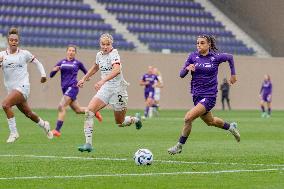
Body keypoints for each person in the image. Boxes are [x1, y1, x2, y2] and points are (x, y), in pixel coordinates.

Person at [167, 34, 240, 155]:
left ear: (208, 44)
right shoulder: (192, 57)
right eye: (197, 43)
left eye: (202, 43)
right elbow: (181, 74)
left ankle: (179, 146)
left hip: (210, 96)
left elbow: (230, 57)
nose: (199, 45)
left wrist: (233, 74)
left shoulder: (215, 57)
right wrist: (187, 68)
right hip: (197, 96)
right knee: (210, 122)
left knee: (188, 118)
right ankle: (231, 127)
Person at [76, 33, 142, 152]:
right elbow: (95, 67)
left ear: (111, 44)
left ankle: (136, 119)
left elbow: (116, 70)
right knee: (89, 111)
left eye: (108, 44)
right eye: (103, 44)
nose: (105, 47)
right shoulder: (99, 55)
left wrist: (102, 81)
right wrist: (84, 78)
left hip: (118, 89)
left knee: (120, 122)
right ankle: (88, 144)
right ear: (100, 44)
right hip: (106, 88)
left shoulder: (114, 54)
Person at [0, 27, 53, 143]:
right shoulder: (2, 55)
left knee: (5, 105)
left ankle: (14, 133)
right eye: (11, 40)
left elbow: (37, 63)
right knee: (28, 113)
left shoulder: (24, 54)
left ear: (18, 41)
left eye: (16, 40)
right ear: (8, 41)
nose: (14, 42)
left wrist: (43, 74)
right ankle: (44, 125)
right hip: (12, 90)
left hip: (23, 87)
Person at [49, 45, 103, 137]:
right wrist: (54, 70)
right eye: (69, 50)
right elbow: (51, 75)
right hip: (65, 88)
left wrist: (86, 79)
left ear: (75, 53)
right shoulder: (62, 62)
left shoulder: (78, 63)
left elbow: (87, 73)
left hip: (73, 87)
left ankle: (57, 130)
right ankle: (94, 111)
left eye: (73, 51)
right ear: (67, 52)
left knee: (61, 107)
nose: (71, 52)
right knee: (77, 110)